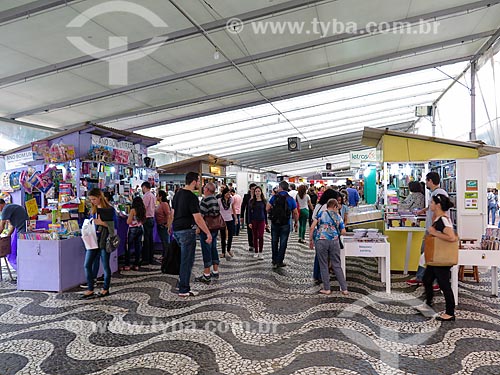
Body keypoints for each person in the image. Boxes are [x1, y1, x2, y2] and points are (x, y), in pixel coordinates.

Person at [415, 194, 456, 321]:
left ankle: (450, 312)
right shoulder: (438, 218)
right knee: (427, 279)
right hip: (435, 257)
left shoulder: (443, 220)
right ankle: (428, 303)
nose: (430, 205)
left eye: (432, 203)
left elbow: (451, 237)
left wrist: (434, 233)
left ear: (438, 205)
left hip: (441, 258)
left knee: (444, 284)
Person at [171, 172, 212, 297]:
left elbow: (172, 213)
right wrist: (208, 233)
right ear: (194, 181)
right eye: (199, 181)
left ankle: (182, 284)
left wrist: (170, 227)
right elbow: (198, 218)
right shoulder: (192, 197)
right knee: (187, 261)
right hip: (187, 231)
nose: (199, 184)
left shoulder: (177, 195)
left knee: (183, 259)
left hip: (177, 230)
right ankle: (184, 289)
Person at [407, 172, 448, 288]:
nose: (425, 183)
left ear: (430, 181)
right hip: (431, 230)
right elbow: (432, 207)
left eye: (426, 180)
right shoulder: (434, 193)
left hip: (436, 231)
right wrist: (423, 211)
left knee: (433, 255)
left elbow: (441, 210)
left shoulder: (440, 193)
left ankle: (434, 281)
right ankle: (421, 277)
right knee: (424, 253)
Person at [309, 198, 348, 295]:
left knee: (323, 265)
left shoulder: (321, 214)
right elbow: (343, 231)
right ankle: (344, 289)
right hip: (334, 242)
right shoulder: (338, 216)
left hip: (321, 241)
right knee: (337, 265)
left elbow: (312, 227)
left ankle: (327, 289)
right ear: (334, 206)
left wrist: (310, 240)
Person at [81, 188, 115, 299]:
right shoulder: (93, 210)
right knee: (87, 264)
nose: (92, 201)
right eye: (90, 199)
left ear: (100, 197)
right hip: (93, 240)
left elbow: (113, 228)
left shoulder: (109, 209)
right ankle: (90, 288)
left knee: (105, 265)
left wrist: (102, 223)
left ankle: (105, 289)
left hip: (104, 241)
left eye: (94, 199)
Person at [310, 189, 341, 283]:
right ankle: (321, 276)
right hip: (324, 233)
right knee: (323, 256)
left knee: (319, 255)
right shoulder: (326, 208)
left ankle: (317, 275)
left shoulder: (318, 205)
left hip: (317, 231)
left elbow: (313, 218)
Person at [266, 180, 298, 268]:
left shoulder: (274, 197)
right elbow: (295, 212)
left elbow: (267, 208)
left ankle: (274, 259)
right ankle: (280, 261)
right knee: (283, 242)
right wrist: (296, 223)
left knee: (274, 241)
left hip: (275, 222)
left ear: (280, 188)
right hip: (286, 223)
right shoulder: (290, 199)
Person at [195, 182, 220, 284]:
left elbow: (200, 216)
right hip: (215, 227)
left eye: (205, 187)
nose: (203, 189)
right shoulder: (215, 199)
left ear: (208, 190)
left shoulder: (205, 200)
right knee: (213, 248)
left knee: (206, 249)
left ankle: (206, 274)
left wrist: (198, 227)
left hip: (206, 229)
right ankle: (215, 270)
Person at [124, 197, 146, 271]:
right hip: (140, 228)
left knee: (128, 247)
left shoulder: (133, 210)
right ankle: (136, 264)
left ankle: (127, 264)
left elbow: (128, 221)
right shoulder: (143, 210)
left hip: (132, 229)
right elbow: (144, 220)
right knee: (138, 247)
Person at [248, 186, 268, 260]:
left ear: (261, 192)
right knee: (255, 236)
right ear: (254, 192)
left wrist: (266, 222)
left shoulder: (264, 201)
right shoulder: (251, 201)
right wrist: (249, 222)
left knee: (261, 236)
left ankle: (261, 252)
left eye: (259, 191)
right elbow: (249, 213)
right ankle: (256, 251)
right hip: (254, 221)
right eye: (256, 191)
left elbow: (265, 213)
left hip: (261, 220)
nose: (257, 192)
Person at [141, 181, 157, 265]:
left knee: (146, 239)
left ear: (144, 187)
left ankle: (146, 258)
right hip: (151, 218)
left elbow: (144, 207)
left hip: (146, 218)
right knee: (150, 239)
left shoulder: (146, 196)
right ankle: (150, 256)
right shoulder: (153, 196)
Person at [219, 187, 236, 258]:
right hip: (222, 219)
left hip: (230, 219)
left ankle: (229, 249)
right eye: (227, 193)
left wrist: (236, 218)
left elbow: (233, 208)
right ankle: (223, 252)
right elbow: (217, 210)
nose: (229, 194)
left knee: (230, 235)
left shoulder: (231, 199)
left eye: (229, 193)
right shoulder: (219, 200)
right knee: (223, 236)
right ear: (224, 194)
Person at [241, 183, 257, 251]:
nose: (254, 191)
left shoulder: (258, 196)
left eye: (255, 189)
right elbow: (243, 206)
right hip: (249, 216)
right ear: (250, 189)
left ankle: (256, 244)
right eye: (253, 189)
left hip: (256, 216)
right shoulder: (246, 196)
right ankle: (251, 244)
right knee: (249, 231)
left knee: (256, 231)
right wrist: (242, 216)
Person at [155, 190, 171, 258]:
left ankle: (167, 256)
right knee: (163, 242)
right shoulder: (160, 204)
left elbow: (168, 214)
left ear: (160, 196)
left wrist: (168, 224)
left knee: (166, 242)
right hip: (160, 225)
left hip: (163, 225)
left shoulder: (164, 204)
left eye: (157, 195)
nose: (156, 196)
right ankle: (165, 255)